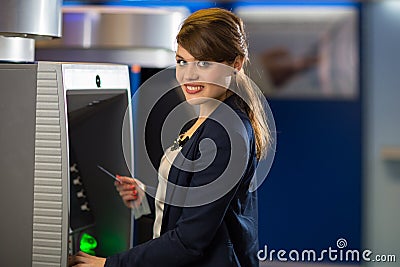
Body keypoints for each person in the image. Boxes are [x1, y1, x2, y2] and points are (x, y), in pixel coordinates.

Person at [69, 7, 271, 267]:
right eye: (181, 62)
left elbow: (189, 242)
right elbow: (195, 204)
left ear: (235, 64)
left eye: (204, 63)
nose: (189, 75)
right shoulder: (205, 118)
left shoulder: (224, 133)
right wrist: (147, 198)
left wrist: (108, 265)